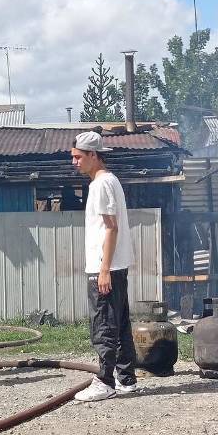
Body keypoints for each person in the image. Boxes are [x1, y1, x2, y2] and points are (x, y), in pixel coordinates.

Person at [70, 130, 138, 402]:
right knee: (119, 323)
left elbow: (111, 228)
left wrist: (104, 269)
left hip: (106, 266)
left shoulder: (101, 184)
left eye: (78, 157)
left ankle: (105, 381)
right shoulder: (109, 181)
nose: (74, 162)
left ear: (93, 155)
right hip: (115, 265)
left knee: (104, 324)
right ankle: (126, 378)